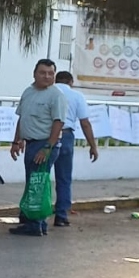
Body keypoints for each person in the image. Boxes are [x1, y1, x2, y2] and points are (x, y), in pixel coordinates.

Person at [9, 59, 68, 238]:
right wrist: (16, 141)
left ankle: (35, 223)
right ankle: (33, 219)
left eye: (51, 73)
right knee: (33, 182)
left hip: (45, 144)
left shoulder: (56, 95)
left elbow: (58, 122)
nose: (47, 76)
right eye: (43, 73)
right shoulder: (28, 92)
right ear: (35, 73)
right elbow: (22, 118)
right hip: (31, 143)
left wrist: (48, 147)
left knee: (38, 182)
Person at [53, 71, 100, 227]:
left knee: (39, 175)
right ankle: (61, 216)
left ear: (55, 79)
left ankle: (34, 214)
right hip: (66, 136)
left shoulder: (48, 91)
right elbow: (85, 123)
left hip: (46, 135)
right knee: (64, 178)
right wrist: (93, 146)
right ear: (71, 82)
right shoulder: (77, 96)